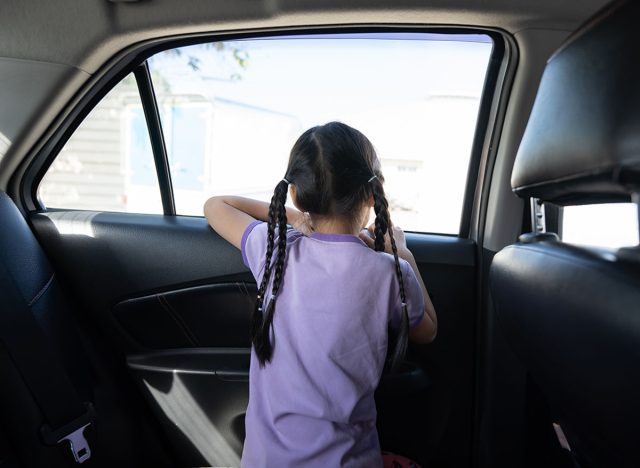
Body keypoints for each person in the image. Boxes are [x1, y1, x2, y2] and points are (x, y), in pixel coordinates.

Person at [204, 121, 437, 467]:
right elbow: (428, 330)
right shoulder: (389, 272)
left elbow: (216, 205)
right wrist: (402, 253)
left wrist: (297, 216)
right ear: (373, 195)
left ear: (296, 192)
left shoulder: (277, 251)